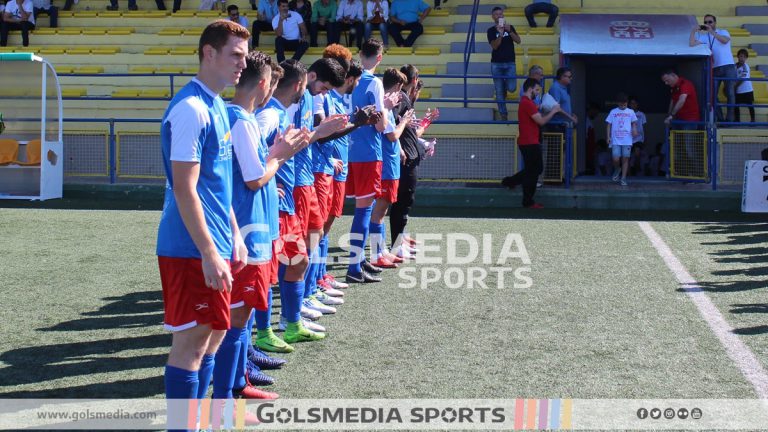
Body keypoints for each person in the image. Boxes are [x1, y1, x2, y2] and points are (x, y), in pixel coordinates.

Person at [156, 19, 249, 422]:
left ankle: (199, 423)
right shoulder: (191, 108)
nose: (242, 64)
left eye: (245, 56)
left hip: (216, 243)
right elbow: (184, 187)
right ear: (209, 53)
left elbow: (219, 183)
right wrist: (210, 251)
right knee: (192, 344)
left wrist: (234, 236)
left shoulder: (216, 105)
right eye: (235, 55)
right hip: (189, 248)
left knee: (213, 335)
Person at [214, 50, 310, 403]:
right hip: (248, 231)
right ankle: (229, 392)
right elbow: (254, 177)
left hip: (257, 228)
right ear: (266, 82)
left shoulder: (243, 118)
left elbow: (253, 176)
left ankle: (238, 381)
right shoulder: (240, 119)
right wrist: (279, 155)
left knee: (245, 311)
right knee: (237, 316)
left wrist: (271, 175)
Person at [345, 38, 389, 284]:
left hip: (350, 150)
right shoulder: (374, 83)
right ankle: (354, 266)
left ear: (361, 54)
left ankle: (359, 261)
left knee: (360, 209)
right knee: (364, 210)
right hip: (369, 152)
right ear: (380, 57)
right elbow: (382, 125)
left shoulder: (351, 80)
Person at [369, 68, 413, 268]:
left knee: (382, 210)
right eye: (400, 89)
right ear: (396, 87)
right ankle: (377, 253)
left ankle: (382, 251)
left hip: (390, 162)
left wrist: (400, 149)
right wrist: (404, 122)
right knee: (378, 211)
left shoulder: (385, 107)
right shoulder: (384, 108)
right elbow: (391, 135)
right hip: (386, 165)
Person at [390, 65, 435, 258]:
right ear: (414, 80)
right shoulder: (401, 98)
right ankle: (396, 244)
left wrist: (424, 127)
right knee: (400, 202)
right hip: (404, 157)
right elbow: (391, 127)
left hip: (409, 155)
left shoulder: (404, 99)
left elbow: (409, 132)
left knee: (405, 201)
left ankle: (399, 241)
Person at [501, 78, 560, 208]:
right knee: (534, 170)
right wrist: (554, 111)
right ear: (530, 89)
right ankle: (526, 199)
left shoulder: (527, 103)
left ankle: (510, 182)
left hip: (528, 141)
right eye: (537, 90)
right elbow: (541, 122)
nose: (538, 93)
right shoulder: (527, 103)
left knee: (532, 170)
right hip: (529, 142)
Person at [690, 14, 735, 123]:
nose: (708, 24)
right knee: (712, 95)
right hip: (714, 68)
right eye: (706, 22)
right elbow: (691, 44)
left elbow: (724, 40)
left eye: (710, 22)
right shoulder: (704, 37)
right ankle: (720, 119)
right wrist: (693, 31)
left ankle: (730, 120)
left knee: (730, 92)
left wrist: (712, 32)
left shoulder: (723, 31)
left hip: (728, 66)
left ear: (715, 22)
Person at [661, 69, 701, 177]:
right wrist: (669, 116)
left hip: (690, 121)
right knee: (678, 148)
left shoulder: (685, 84)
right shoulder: (673, 88)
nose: (666, 83)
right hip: (678, 121)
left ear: (673, 76)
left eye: (667, 80)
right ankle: (684, 174)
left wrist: (672, 115)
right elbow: (672, 101)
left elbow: (681, 100)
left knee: (689, 148)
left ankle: (696, 175)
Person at [487, 6, 521, 121]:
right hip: (496, 64)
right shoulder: (491, 31)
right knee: (499, 92)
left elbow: (518, 41)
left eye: (501, 14)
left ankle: (505, 87)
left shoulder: (510, 27)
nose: (499, 16)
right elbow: (495, 46)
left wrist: (509, 31)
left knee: (512, 88)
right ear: (493, 17)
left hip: (510, 62)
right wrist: (500, 34)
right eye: (496, 14)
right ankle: (503, 114)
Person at [605, 92, 638, 187]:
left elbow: (634, 123)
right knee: (615, 158)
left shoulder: (630, 112)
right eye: (621, 104)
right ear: (617, 103)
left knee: (625, 159)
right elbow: (608, 125)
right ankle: (617, 169)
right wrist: (608, 137)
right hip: (615, 139)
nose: (623, 106)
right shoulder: (613, 112)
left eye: (625, 104)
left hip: (627, 140)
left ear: (627, 103)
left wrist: (635, 129)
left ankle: (623, 178)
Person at [735, 48, 755, 123]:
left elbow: (743, 78)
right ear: (738, 57)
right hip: (738, 91)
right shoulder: (735, 66)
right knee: (735, 106)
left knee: (750, 106)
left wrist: (734, 86)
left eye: (744, 57)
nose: (742, 58)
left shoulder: (745, 66)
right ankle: (737, 120)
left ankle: (753, 120)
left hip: (747, 90)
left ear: (746, 58)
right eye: (740, 56)